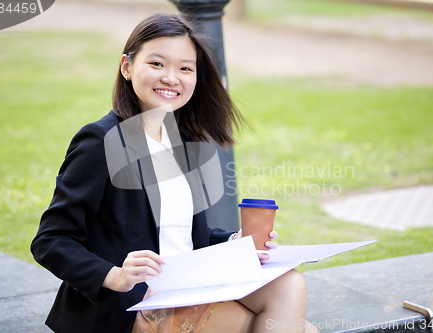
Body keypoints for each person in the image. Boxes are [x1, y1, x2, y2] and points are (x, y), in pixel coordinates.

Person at [31, 13, 316, 333]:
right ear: (126, 66)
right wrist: (116, 276)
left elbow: (180, 236)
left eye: (185, 68)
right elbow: (50, 241)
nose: (171, 77)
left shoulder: (183, 140)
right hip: (131, 305)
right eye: (156, 64)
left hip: (187, 284)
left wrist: (238, 243)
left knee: (289, 284)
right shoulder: (102, 141)